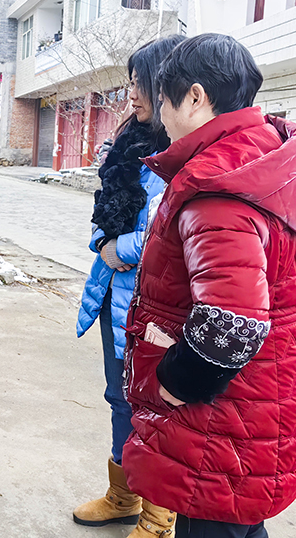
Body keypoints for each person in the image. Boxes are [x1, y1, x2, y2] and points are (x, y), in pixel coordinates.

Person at [123, 33, 296, 537]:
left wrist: (169, 388)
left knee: (213, 525)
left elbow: (230, 324)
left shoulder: (217, 187)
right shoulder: (265, 161)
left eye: (164, 100)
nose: (161, 117)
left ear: (194, 96)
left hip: (224, 417)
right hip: (262, 398)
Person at [74, 35, 185, 537]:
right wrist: (103, 241)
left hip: (158, 307)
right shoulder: (128, 145)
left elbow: (174, 230)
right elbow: (104, 211)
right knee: (119, 397)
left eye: (141, 83)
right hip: (113, 298)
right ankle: (124, 495)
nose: (133, 94)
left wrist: (124, 248)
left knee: (157, 408)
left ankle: (160, 516)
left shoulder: (185, 155)